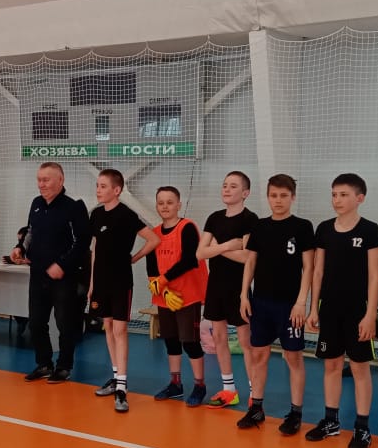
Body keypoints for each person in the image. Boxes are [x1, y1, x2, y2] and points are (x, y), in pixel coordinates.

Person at [304, 174, 378, 448]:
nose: (337, 200)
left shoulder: (370, 230)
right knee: (331, 365)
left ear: (360, 198)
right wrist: (313, 308)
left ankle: (362, 427)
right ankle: (331, 421)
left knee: (359, 367)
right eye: (334, 194)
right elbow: (317, 271)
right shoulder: (324, 229)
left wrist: (370, 314)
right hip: (330, 309)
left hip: (358, 310)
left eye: (344, 194)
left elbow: (375, 275)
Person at [237, 174, 315, 435]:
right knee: (258, 354)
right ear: (267, 197)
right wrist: (244, 295)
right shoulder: (260, 226)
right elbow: (251, 261)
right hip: (261, 303)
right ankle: (256, 408)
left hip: (289, 306)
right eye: (273, 195)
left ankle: (295, 413)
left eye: (283, 195)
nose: (278, 200)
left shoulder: (302, 227)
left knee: (293, 357)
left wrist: (301, 302)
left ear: (292, 197)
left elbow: (309, 267)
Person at [11, 162, 90, 384]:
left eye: (46, 180)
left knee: (65, 324)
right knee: (36, 323)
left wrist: (62, 265)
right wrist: (20, 248)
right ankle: (44, 364)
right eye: (39, 180)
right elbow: (30, 231)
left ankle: (64, 367)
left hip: (64, 277)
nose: (41, 184)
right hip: (37, 275)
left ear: (60, 180)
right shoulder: (36, 203)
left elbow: (82, 242)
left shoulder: (74, 207)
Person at [89, 169, 160, 412]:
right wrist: (92, 283)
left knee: (120, 330)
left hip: (120, 281)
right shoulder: (96, 214)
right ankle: (115, 376)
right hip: (101, 282)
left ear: (116, 190)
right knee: (108, 327)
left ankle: (122, 386)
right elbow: (95, 248)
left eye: (103, 186)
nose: (98, 190)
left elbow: (153, 239)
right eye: (97, 186)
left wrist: (135, 258)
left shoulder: (127, 215)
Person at [196, 171, 258, 408]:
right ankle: (229, 390)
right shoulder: (214, 218)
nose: (227, 189)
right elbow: (200, 253)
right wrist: (228, 246)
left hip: (239, 288)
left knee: (245, 341)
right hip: (216, 286)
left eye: (233, 186)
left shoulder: (250, 219)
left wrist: (216, 248)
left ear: (245, 193)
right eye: (224, 185)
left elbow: (247, 257)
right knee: (219, 337)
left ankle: (255, 393)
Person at [147, 186, 210, 406]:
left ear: (178, 205)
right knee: (171, 341)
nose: (165, 206)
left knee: (190, 342)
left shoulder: (187, 227)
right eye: (161, 202)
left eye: (169, 202)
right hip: (165, 297)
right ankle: (175, 384)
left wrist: (164, 280)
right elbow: (151, 268)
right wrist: (162, 289)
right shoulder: (154, 233)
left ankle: (200, 385)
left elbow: (190, 260)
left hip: (186, 296)